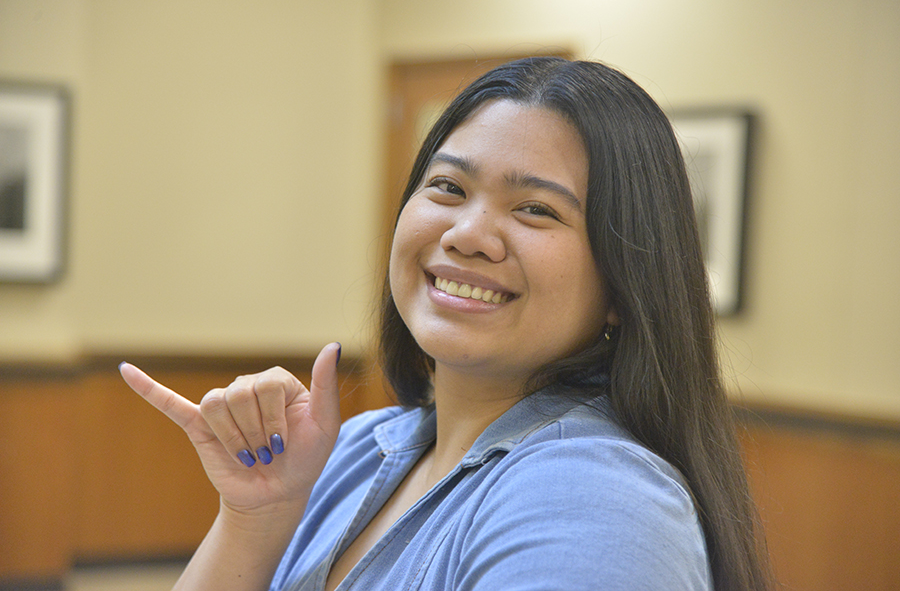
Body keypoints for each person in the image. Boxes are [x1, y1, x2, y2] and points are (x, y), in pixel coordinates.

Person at [120, 57, 772, 591]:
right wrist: (256, 517)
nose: (467, 234)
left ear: (623, 284)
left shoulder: (594, 499)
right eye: (449, 189)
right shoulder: (360, 446)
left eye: (536, 209)